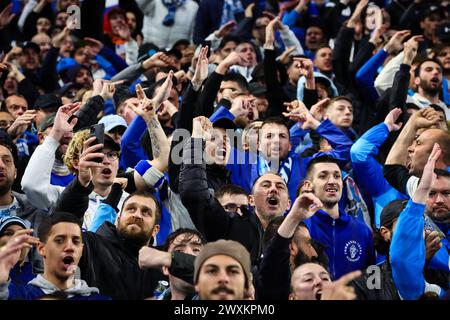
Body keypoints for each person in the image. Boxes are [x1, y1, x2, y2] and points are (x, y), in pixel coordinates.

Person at [0, 212, 109, 300]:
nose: (69, 247)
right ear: (42, 249)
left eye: (76, 241)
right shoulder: (18, 295)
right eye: (59, 240)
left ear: (81, 250)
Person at [302, 155, 375, 280]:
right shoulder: (300, 227)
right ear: (309, 185)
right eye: (323, 176)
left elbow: (372, 282)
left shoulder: (363, 231)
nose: (332, 181)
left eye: (337, 176)